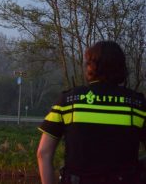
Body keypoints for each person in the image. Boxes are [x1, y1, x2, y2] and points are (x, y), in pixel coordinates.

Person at [37, 41, 146, 184]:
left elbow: (43, 153)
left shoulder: (69, 101)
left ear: (90, 66)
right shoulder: (137, 105)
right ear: (121, 67)